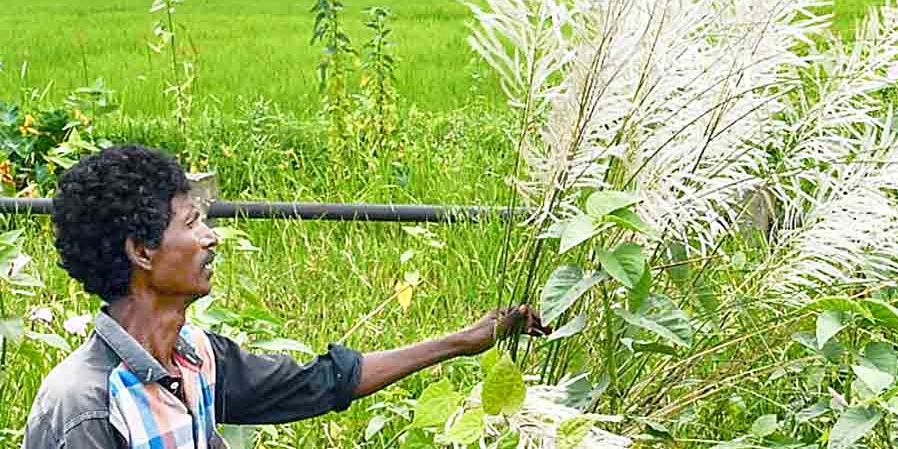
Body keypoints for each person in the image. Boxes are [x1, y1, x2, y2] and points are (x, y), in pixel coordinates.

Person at [22, 144, 547, 448]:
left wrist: (464, 341)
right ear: (141, 252)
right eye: (192, 223)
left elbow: (319, 384)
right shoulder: (88, 405)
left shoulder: (196, 358)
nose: (210, 237)